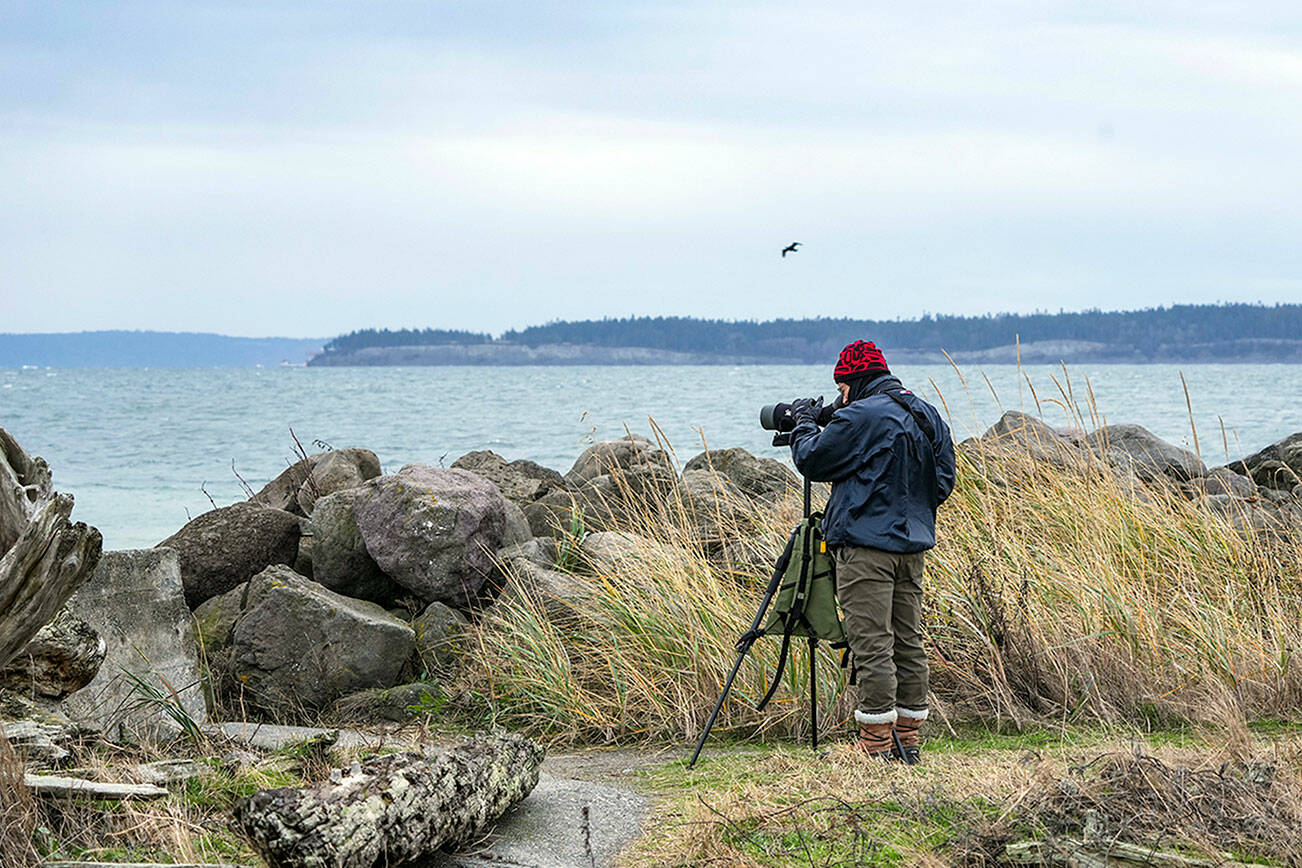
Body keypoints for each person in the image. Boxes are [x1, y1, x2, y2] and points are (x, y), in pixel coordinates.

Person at [787, 340, 956, 763]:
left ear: (854, 380)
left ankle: (876, 745)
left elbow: (811, 458)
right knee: (908, 640)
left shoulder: (862, 414)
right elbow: (943, 482)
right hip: (912, 546)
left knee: (872, 642)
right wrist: (907, 509)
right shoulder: (925, 412)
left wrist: (805, 422)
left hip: (865, 547)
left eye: (842, 388)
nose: (841, 396)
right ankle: (908, 740)